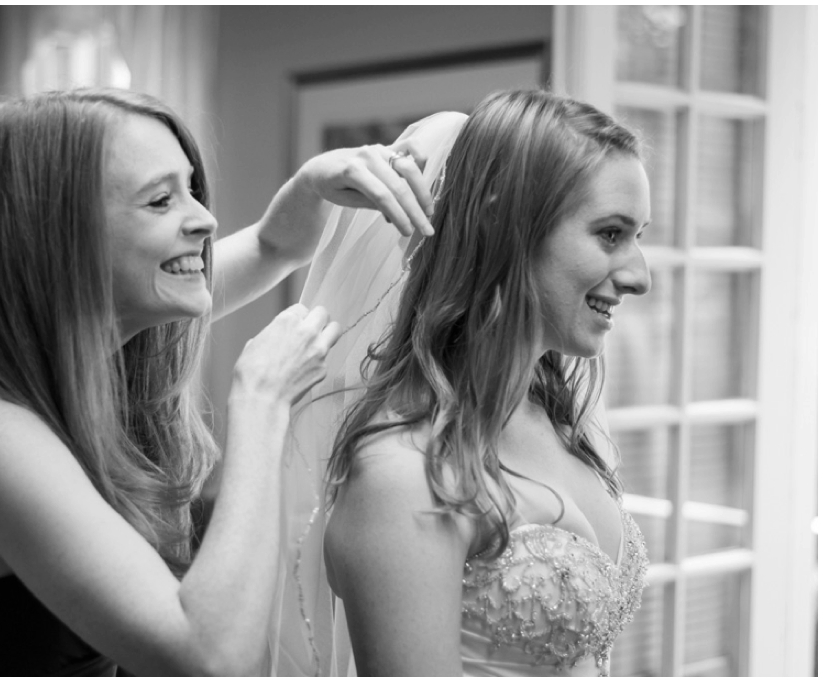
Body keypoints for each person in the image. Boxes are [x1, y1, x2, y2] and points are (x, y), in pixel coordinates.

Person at [0, 87, 436, 676]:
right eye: (161, 200)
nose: (204, 218)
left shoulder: (81, 358)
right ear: (55, 235)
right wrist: (261, 403)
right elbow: (209, 658)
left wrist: (311, 185)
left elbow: (273, 246)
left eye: (192, 189)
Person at [273, 90, 651, 676]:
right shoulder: (403, 476)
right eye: (609, 234)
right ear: (508, 226)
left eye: (638, 236)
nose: (638, 275)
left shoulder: (555, 416)